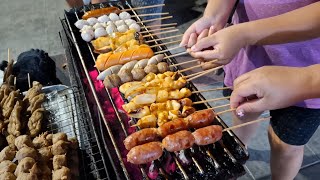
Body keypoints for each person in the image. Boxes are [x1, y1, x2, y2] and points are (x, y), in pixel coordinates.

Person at [181, 1, 320, 180]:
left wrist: (306, 80)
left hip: (308, 67)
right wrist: (214, 15)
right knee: (242, 113)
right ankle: (237, 152)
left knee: (287, 146)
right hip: (248, 51)